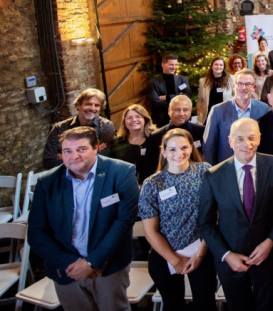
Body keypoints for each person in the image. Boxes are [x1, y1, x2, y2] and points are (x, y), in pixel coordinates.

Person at [28, 127, 140, 311]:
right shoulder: (47, 182)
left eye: (81, 149)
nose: (74, 156)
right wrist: (71, 264)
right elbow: (36, 232)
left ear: (96, 147)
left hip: (108, 266)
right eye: (67, 151)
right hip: (66, 269)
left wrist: (91, 262)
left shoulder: (121, 172)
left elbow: (124, 221)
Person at [198, 118, 273, 311]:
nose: (246, 144)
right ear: (230, 141)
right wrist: (226, 255)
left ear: (259, 139)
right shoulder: (213, 175)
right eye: (239, 139)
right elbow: (205, 224)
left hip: (266, 256)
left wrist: (270, 241)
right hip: (231, 259)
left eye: (251, 138)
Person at [139, 129, 216, 311]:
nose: (178, 154)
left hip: (201, 252)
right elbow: (150, 231)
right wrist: (175, 260)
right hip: (165, 254)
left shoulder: (205, 172)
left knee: (206, 305)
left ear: (191, 148)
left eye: (184, 147)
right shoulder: (153, 183)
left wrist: (200, 254)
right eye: (172, 149)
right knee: (172, 305)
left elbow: (215, 215)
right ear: (164, 152)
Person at [203, 69, 271, 165]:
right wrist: (211, 171)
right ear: (234, 86)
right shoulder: (218, 110)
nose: (243, 88)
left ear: (254, 87)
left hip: (256, 165)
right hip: (226, 166)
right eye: (240, 83)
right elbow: (209, 145)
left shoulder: (264, 109)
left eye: (248, 84)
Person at [43, 88, 115, 170]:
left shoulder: (106, 126)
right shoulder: (59, 128)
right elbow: (48, 162)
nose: (92, 108)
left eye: (97, 105)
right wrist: (90, 153)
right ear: (78, 105)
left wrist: (62, 155)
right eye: (88, 104)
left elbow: (101, 160)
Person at [145, 95, 206, 182]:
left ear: (190, 111)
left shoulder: (202, 131)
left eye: (185, 110)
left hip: (197, 179)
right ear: (169, 111)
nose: (181, 113)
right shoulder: (156, 136)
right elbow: (150, 166)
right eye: (177, 110)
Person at [148, 54, 193, 126]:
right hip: (161, 120)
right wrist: (178, 102)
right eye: (171, 65)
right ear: (163, 64)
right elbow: (155, 102)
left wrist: (167, 97)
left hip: (181, 119)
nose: (174, 67)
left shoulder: (182, 80)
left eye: (176, 65)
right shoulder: (153, 82)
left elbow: (187, 95)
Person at [197, 57, 235, 125]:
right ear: (212, 66)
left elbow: (235, 96)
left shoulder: (231, 79)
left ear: (224, 67)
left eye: (221, 65)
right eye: (216, 64)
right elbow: (200, 99)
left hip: (225, 115)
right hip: (209, 115)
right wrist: (200, 112)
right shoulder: (203, 81)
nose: (218, 67)